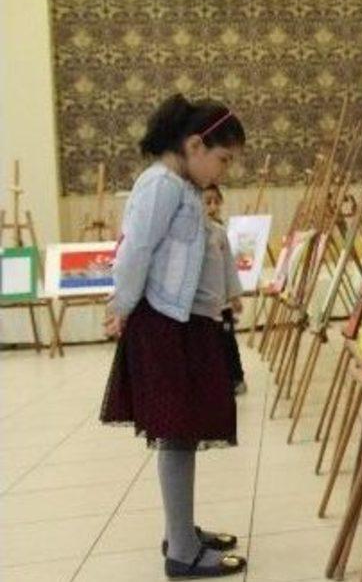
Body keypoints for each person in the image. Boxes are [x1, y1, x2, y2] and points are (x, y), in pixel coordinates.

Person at [99, 93, 249, 579]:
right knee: (178, 433)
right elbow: (135, 251)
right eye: (223, 159)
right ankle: (182, 552)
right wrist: (120, 305)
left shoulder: (181, 186)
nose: (223, 171)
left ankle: (181, 529)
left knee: (185, 430)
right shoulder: (160, 185)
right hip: (165, 326)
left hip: (186, 324)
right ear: (194, 145)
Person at [201, 184, 247, 395]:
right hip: (203, 303)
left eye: (216, 202)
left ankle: (236, 378)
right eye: (207, 202)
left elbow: (229, 266)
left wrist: (234, 296)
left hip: (223, 302)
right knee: (208, 345)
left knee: (227, 341)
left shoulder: (220, 233)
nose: (212, 207)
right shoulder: (192, 234)